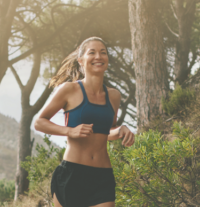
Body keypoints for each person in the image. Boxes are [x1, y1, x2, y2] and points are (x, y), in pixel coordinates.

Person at [34, 37, 136, 207]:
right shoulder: (69, 89)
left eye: (103, 52)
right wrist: (70, 131)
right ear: (81, 60)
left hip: (102, 177)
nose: (98, 56)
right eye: (92, 52)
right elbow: (39, 122)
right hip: (72, 174)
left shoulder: (114, 96)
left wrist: (120, 130)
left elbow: (106, 132)